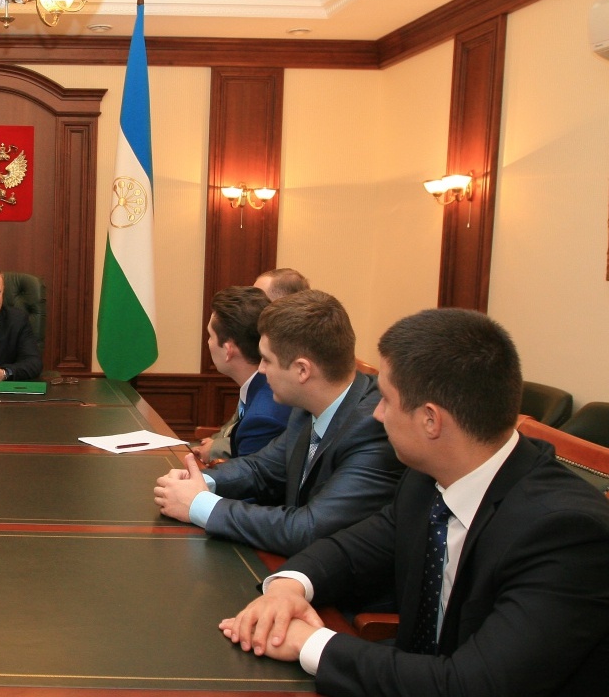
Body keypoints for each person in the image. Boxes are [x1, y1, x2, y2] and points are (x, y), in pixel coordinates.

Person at [219, 308, 609, 697]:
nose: (376, 413)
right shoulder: (428, 478)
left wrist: (310, 644)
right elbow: (352, 549)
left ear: (430, 420)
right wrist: (289, 587)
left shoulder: (566, 533)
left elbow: (473, 685)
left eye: (386, 400)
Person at [154, 290, 403, 556]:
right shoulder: (306, 407)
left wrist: (199, 504)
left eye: (266, 359)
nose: (260, 369)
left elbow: (308, 529)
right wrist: (199, 480)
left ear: (302, 370)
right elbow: (262, 469)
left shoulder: (373, 428)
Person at [192, 286, 293, 463]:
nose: (208, 343)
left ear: (228, 350)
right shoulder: (258, 386)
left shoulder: (263, 416)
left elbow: (248, 477)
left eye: (210, 336)